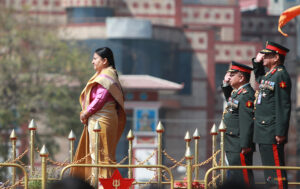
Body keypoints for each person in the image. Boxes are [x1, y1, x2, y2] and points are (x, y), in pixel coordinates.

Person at [70, 47, 126, 185]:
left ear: (105, 60)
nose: (92, 62)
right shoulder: (105, 75)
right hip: (98, 119)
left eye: (95, 59)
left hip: (102, 120)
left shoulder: (107, 76)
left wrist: (86, 113)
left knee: (101, 155)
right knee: (97, 155)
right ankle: (100, 183)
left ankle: (103, 185)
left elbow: (100, 98)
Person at [252, 41, 291, 189]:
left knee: (276, 173)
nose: (263, 57)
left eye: (266, 55)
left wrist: (280, 132)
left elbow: (283, 105)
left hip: (272, 131)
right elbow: (259, 78)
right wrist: (256, 63)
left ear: (276, 58)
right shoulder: (270, 76)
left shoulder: (280, 76)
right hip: (264, 130)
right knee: (269, 173)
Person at [221, 61, 255, 185]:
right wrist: (225, 83)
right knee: (235, 174)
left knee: (242, 176)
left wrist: (245, 144)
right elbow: (229, 99)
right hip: (232, 141)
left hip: (239, 143)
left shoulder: (246, 95)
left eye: (232, 75)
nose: (229, 77)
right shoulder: (237, 93)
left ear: (241, 78)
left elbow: (247, 122)